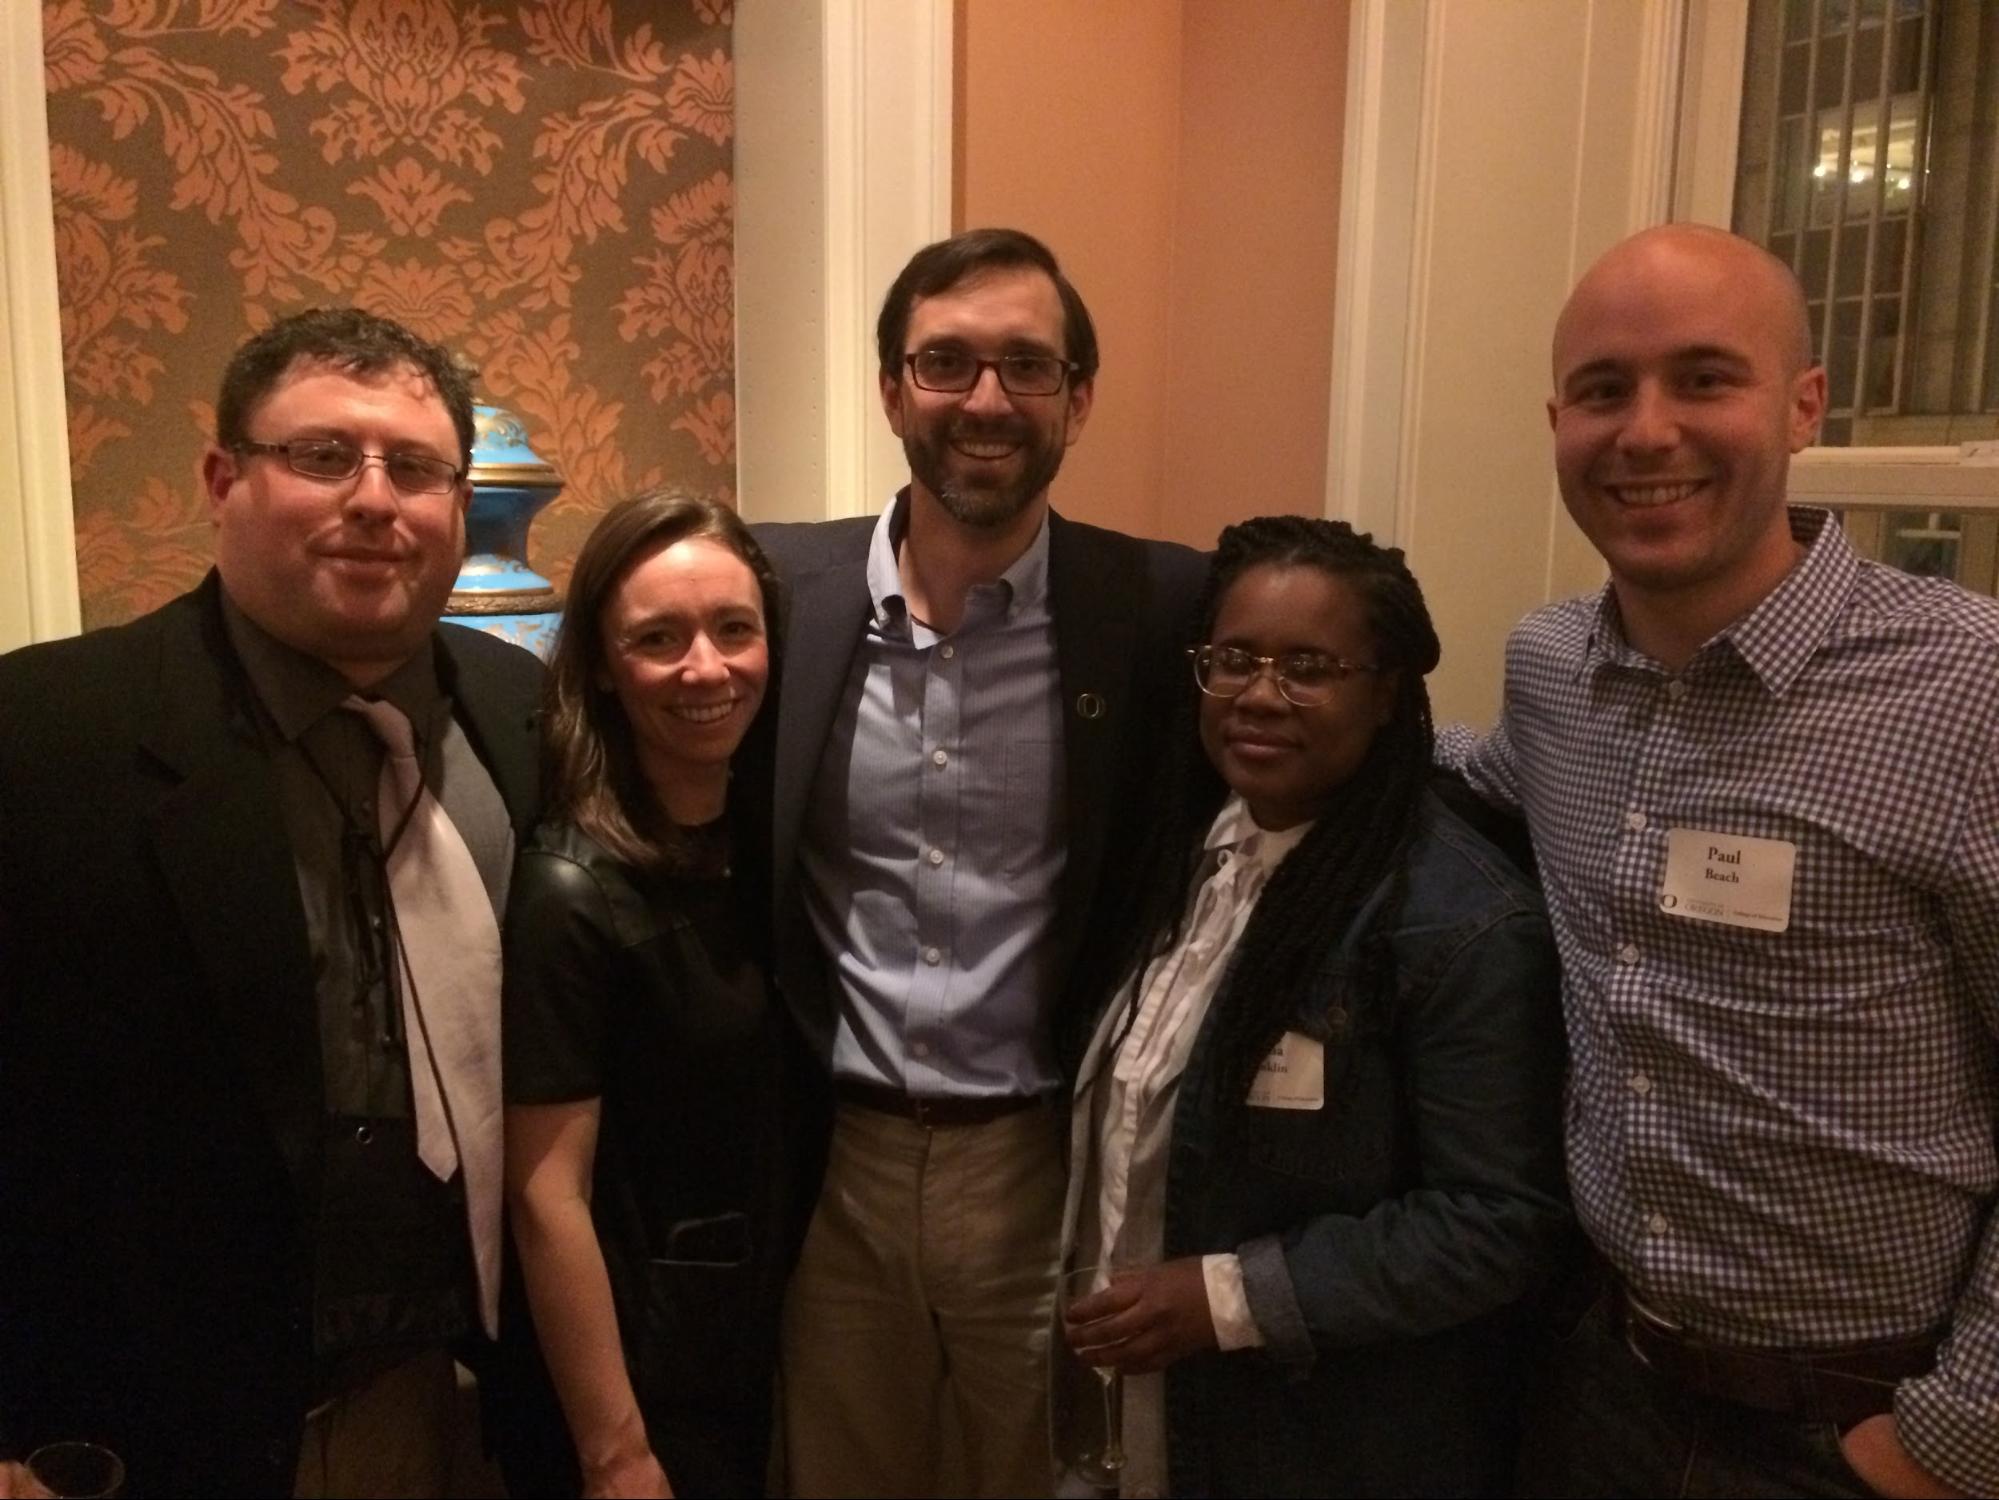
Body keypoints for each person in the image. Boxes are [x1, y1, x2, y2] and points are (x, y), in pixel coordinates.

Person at [1443, 223, 1999, 1498]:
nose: (1645, 433)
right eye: (1601, 391)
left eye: (1703, 379)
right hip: (1598, 1383)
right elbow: (1464, 773)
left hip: (1859, 1426)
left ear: (1802, 406)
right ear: (1556, 421)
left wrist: (1951, 1441)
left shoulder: (1963, 692)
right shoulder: (1550, 673)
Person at [0, 309, 543, 1498]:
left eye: (415, 468)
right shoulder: (38, 740)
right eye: (320, 456)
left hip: (474, 1403)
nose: (373, 498)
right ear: (221, 477)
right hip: (161, 1428)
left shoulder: (526, 713)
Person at [754, 227, 1206, 1497]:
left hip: (1040, 1162)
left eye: (1026, 365)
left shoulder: (1164, 608)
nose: (987, 401)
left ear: (1079, 398)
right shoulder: (777, 588)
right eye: (945, 363)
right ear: (893, 389)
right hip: (828, 1158)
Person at [1057, 515, 1570, 1497]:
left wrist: (1226, 1297)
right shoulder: (1188, 854)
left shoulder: (1455, 922)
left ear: (1384, 692)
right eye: (1234, 658)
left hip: (1316, 1439)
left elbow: (1498, 1221)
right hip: (1147, 1423)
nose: (1259, 694)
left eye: (1308, 667)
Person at [500, 492, 795, 1498]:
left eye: (733, 629)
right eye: (659, 639)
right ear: (602, 672)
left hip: (769, 1349)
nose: (705, 669)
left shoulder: (768, 851)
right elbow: (547, 1195)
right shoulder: (569, 890)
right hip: (649, 1388)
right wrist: (615, 1451)